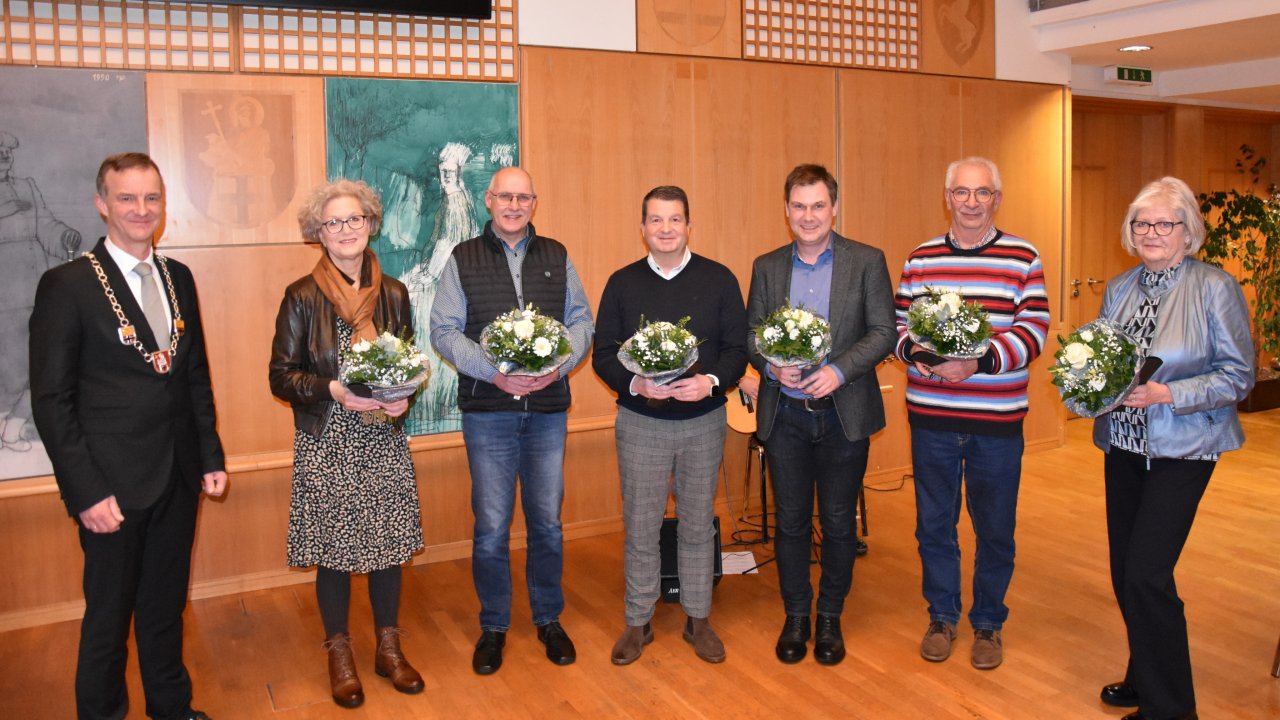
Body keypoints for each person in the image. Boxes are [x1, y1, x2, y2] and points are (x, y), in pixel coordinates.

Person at [29, 152, 226, 720]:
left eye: (151, 197)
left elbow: (193, 376)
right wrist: (85, 492)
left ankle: (171, 708)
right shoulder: (67, 286)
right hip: (110, 486)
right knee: (108, 620)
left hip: (178, 475)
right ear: (102, 204)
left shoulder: (178, 277)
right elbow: (51, 401)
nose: (141, 209)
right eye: (127, 198)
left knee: (165, 608)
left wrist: (209, 455)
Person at [1093, 177, 1253, 720]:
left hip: (1185, 446)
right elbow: (1104, 358)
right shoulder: (1120, 288)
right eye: (1142, 223)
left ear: (1188, 231)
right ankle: (1145, 675)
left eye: (1165, 223)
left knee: (1146, 574)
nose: (1152, 232)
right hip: (1123, 443)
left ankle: (1171, 710)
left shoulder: (1214, 287)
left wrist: (1168, 393)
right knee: (1126, 573)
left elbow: (1238, 375)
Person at [430, 166, 594, 675]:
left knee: (547, 523)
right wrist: (493, 373)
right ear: (488, 200)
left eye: (523, 197)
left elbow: (581, 321)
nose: (514, 205)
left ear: (534, 203)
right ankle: (494, 625)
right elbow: (443, 331)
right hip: (490, 413)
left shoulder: (557, 255)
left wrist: (558, 367)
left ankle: (548, 619)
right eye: (506, 196)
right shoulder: (463, 258)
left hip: (546, 412)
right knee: (492, 526)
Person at [268, 179, 425, 708]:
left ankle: (388, 648)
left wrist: (403, 398)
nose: (345, 229)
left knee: (388, 547)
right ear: (319, 233)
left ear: (370, 224)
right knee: (333, 553)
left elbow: (407, 364)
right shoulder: (302, 296)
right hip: (328, 438)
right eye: (333, 222)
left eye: (354, 218)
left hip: (381, 437)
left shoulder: (394, 293)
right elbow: (281, 377)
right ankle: (339, 653)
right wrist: (333, 389)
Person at [893, 156, 1050, 670]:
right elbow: (897, 328)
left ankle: (988, 624)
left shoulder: (1023, 257)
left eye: (982, 193)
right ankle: (942, 617)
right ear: (948, 198)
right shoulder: (920, 259)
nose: (971, 202)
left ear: (996, 199)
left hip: (996, 423)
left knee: (995, 529)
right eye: (962, 192)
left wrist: (976, 363)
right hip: (932, 419)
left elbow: (1034, 332)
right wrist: (924, 356)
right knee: (934, 526)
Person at [746, 163, 896, 666]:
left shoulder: (867, 261)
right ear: (786, 210)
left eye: (818, 205)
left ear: (834, 208)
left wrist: (839, 370)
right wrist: (771, 366)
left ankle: (830, 616)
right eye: (798, 206)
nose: (808, 216)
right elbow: (752, 334)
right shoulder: (767, 266)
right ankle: (796, 616)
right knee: (790, 522)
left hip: (842, 415)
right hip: (785, 417)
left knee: (837, 522)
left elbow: (883, 332)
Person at [593, 185, 748, 665]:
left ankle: (698, 618)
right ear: (643, 228)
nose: (666, 229)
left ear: (688, 226)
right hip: (641, 423)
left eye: (675, 219)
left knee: (698, 525)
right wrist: (636, 383)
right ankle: (638, 620)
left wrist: (711, 382)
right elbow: (603, 354)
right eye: (656, 220)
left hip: (703, 421)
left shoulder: (719, 279)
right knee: (641, 526)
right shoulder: (622, 283)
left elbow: (737, 349)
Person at [1, 130, 81, 452]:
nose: (4, 156)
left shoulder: (26, 186)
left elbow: (44, 223)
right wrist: (8, 208)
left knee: (45, 359)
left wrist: (64, 237)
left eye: (7, 151)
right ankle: (9, 426)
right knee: (13, 365)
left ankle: (15, 426)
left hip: (36, 288)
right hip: (4, 292)